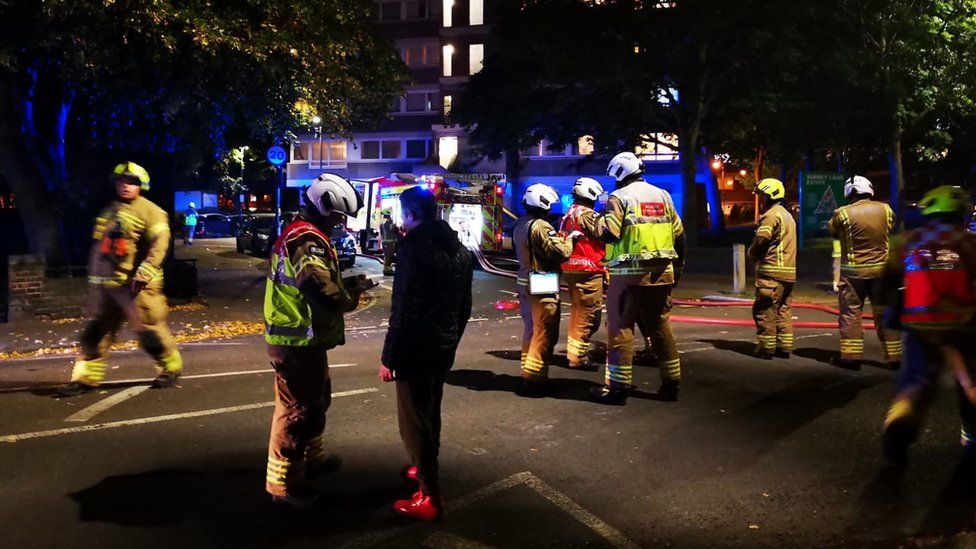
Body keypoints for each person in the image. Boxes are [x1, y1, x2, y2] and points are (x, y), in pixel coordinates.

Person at [263, 173, 371, 508]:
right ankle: (284, 485)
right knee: (299, 411)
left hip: (303, 340)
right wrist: (351, 296)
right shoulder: (306, 240)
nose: (342, 222)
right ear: (324, 205)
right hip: (296, 342)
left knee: (315, 401)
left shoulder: (304, 233)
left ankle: (311, 461)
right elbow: (319, 288)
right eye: (339, 215)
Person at [377, 186, 473, 522]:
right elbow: (465, 306)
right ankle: (423, 466)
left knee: (414, 420)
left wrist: (389, 357)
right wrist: (451, 340)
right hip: (442, 345)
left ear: (411, 214)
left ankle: (429, 493)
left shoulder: (412, 249)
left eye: (404, 213)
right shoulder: (459, 249)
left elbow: (402, 308)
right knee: (431, 411)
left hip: (415, 348)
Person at [58, 162, 182, 397]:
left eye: (132, 182)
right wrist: (95, 286)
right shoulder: (110, 211)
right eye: (122, 181)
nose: (126, 186)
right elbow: (101, 251)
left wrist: (144, 274)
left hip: (137, 288)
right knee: (94, 335)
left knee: (150, 333)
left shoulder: (152, 211)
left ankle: (170, 368)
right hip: (108, 288)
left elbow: (160, 245)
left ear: (141, 186)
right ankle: (85, 378)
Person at [881, 185, 976, 467]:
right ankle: (972, 440)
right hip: (965, 327)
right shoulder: (970, 243)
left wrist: (889, 312)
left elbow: (887, 281)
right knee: (968, 384)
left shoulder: (908, 241)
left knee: (915, 382)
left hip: (919, 326)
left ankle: (900, 421)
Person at [591, 152, 685, 405]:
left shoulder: (619, 197)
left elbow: (609, 233)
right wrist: (678, 269)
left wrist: (595, 222)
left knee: (621, 328)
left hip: (628, 276)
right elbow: (680, 235)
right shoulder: (663, 196)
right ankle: (671, 384)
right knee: (660, 327)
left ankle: (618, 389)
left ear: (620, 174)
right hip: (661, 274)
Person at [828, 175, 900, 370]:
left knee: (851, 314)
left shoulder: (842, 213)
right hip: (882, 273)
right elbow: (890, 229)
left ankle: (851, 358)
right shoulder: (886, 210)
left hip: (854, 275)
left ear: (849, 192)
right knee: (884, 313)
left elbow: (833, 232)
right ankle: (894, 357)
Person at [514, 183, 574, 394]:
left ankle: (527, 370)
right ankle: (536, 380)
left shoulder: (521, 224)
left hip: (524, 281)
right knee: (545, 331)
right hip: (542, 283)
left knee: (531, 329)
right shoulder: (541, 226)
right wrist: (568, 240)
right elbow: (560, 253)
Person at [559, 177, 606, 371]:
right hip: (588, 271)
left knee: (579, 314)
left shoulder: (569, 213)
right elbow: (608, 233)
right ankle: (578, 357)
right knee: (588, 316)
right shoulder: (588, 215)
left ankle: (575, 353)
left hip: (573, 269)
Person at [748, 178, 797, 360]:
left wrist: (752, 254)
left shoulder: (771, 216)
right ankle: (784, 347)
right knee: (783, 310)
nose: (760, 200)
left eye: (761, 196)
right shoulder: (787, 215)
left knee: (765, 310)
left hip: (772, 273)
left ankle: (766, 349)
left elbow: (762, 240)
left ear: (769, 196)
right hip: (788, 273)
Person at [380, 212, 400, 276]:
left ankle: (388, 269)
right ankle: (386, 271)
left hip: (386, 241)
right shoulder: (388, 222)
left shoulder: (383, 222)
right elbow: (395, 229)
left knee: (388, 256)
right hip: (389, 242)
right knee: (389, 256)